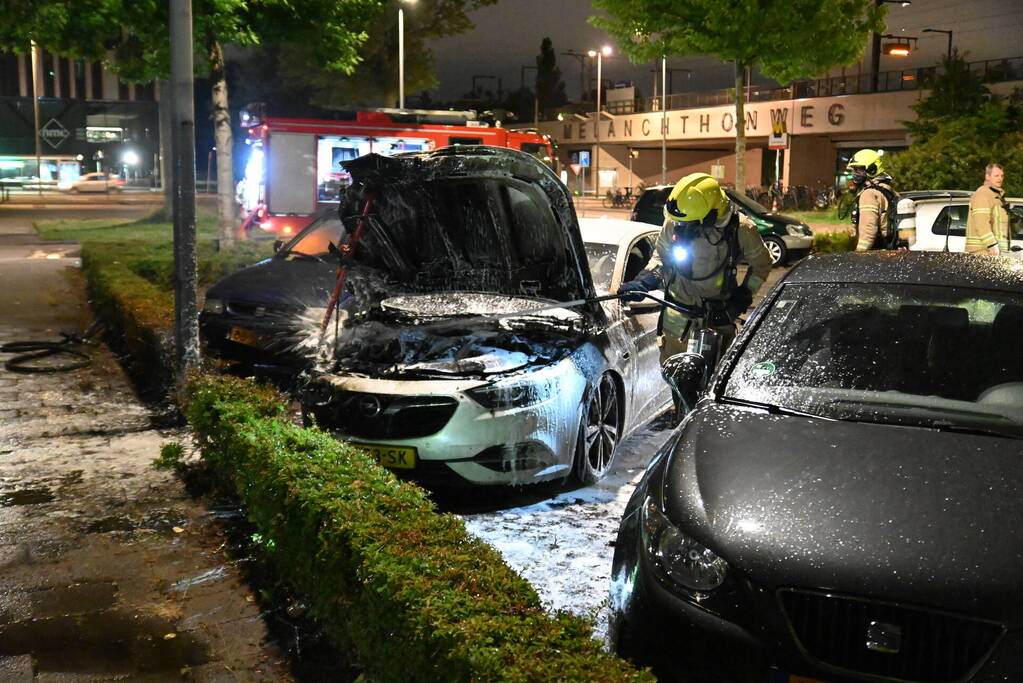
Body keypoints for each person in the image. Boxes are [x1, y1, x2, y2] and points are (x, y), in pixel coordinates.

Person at [616, 172, 772, 365]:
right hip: (677, 324)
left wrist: (743, 296)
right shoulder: (676, 219)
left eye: (686, 223)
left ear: (709, 215)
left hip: (718, 320)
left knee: (713, 382)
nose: (680, 226)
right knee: (676, 379)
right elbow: (661, 258)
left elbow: (762, 264)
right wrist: (644, 280)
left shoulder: (741, 229)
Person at [847, 149, 913, 251]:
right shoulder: (888, 191)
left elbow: (868, 230)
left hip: (875, 254)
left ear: (872, 169)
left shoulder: (869, 194)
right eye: (854, 170)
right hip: (889, 251)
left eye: (858, 169)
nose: (855, 174)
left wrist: (859, 256)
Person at [966, 163, 1009, 255]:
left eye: (1002, 176)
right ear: (988, 176)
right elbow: (981, 223)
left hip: (994, 251)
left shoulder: (997, 196)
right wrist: (992, 244)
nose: (1000, 178)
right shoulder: (982, 194)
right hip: (983, 251)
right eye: (996, 175)